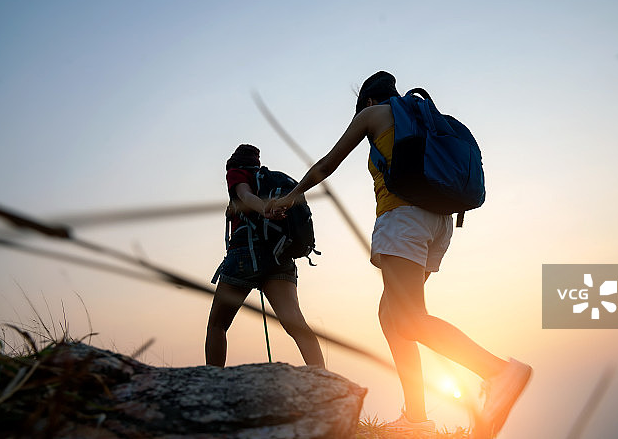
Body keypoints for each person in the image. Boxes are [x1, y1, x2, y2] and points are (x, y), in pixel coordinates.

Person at [268, 72, 531, 438]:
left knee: (408, 319)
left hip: (402, 220)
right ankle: (417, 418)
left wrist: (287, 197)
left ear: (369, 102)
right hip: (439, 224)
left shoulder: (373, 114)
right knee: (391, 316)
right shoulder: (426, 116)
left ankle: (500, 372)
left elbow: (328, 165)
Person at [205, 144, 325, 369]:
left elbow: (245, 195)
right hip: (278, 256)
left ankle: (213, 384)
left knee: (217, 324)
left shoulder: (237, 173)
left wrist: (263, 209)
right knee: (296, 324)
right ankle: (324, 378)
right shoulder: (268, 181)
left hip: (245, 254)